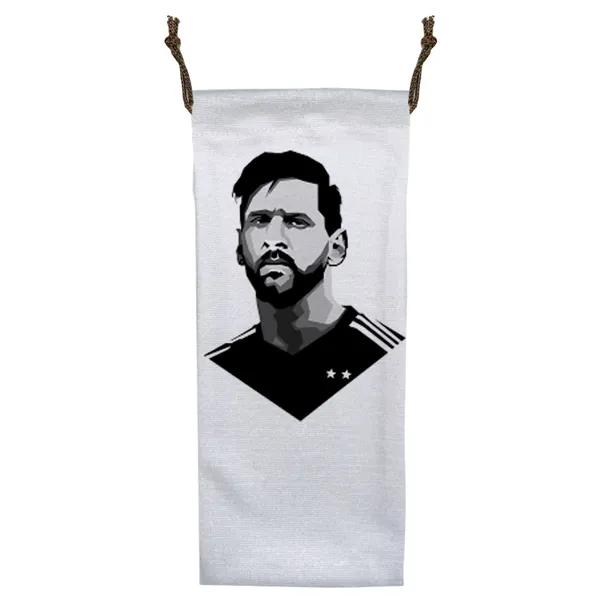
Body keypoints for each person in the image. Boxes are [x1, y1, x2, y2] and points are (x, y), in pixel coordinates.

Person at [205, 150, 404, 420]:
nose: (273, 239)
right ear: (240, 245)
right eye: (260, 220)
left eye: (296, 222)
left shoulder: (383, 352)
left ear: (336, 247)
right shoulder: (223, 364)